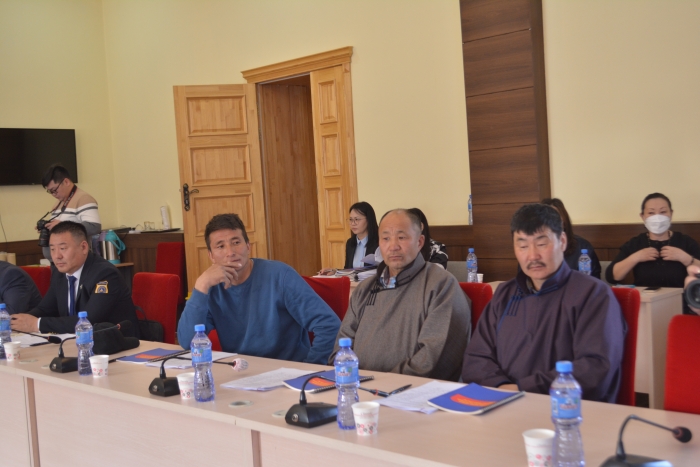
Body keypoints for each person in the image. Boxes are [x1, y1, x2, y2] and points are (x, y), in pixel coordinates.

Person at [462, 204, 625, 402]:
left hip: (568, 410)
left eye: (541, 243)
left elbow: (595, 369)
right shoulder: (505, 293)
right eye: (523, 246)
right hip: (501, 403)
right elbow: (475, 359)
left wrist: (520, 389)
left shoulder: (593, 294)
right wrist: (502, 388)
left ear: (562, 241)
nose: (532, 256)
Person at [177, 213, 340, 364]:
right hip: (241, 373)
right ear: (211, 256)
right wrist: (201, 285)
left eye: (236, 242)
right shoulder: (210, 287)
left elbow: (329, 325)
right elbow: (187, 342)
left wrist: (310, 369)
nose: (230, 252)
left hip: (286, 372)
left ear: (248, 246)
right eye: (220, 246)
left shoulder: (280, 275)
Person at [328, 209, 471, 381]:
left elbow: (433, 360)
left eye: (401, 237)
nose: (393, 246)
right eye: (386, 238)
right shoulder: (365, 288)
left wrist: (382, 384)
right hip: (357, 388)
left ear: (419, 242)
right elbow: (341, 349)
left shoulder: (441, 285)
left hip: (410, 391)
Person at [10, 221, 139, 335]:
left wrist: (37, 324)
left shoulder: (105, 274)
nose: (57, 256)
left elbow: (88, 321)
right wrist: (15, 321)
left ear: (83, 247)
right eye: (53, 249)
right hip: (76, 342)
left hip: (115, 344)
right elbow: (45, 309)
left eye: (62, 248)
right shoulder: (60, 273)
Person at [606, 193, 700, 289]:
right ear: (643, 216)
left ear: (671, 214)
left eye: (663, 212)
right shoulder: (635, 243)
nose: (657, 217)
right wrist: (636, 257)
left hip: (680, 297)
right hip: (645, 297)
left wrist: (686, 258)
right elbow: (612, 277)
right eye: (651, 213)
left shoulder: (685, 241)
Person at [40, 164, 101, 261]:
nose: (53, 194)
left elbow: (94, 227)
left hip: (76, 262)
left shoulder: (84, 199)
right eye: (50, 192)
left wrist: (62, 225)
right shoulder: (59, 203)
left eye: (54, 190)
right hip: (59, 262)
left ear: (66, 182)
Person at [541, 198, 601, 279]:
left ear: (564, 223)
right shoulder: (532, 251)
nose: (550, 224)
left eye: (555, 219)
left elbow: (594, 282)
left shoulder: (583, 246)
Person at [319, 201, 379, 274]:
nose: (353, 223)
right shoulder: (350, 243)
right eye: (351, 219)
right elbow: (348, 269)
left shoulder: (379, 242)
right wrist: (335, 271)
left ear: (368, 220)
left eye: (357, 219)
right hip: (353, 281)